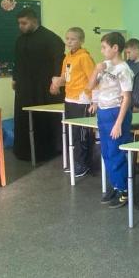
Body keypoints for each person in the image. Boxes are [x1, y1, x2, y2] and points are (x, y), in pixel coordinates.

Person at [12, 8, 65, 162]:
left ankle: (46, 152)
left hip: (44, 88)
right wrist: (15, 78)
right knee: (24, 118)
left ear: (34, 21)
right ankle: (23, 151)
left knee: (43, 118)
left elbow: (59, 61)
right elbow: (17, 60)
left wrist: (56, 81)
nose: (21, 26)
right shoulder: (20, 40)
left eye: (24, 23)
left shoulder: (51, 38)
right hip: (24, 87)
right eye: (19, 23)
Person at [88, 32, 134, 209]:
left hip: (116, 113)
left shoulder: (124, 69)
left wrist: (118, 123)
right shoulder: (105, 65)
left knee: (116, 154)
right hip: (104, 112)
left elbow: (127, 98)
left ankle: (124, 190)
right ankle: (116, 186)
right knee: (106, 152)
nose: (102, 51)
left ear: (115, 48)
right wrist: (96, 70)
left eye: (104, 47)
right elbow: (90, 86)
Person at [50, 27, 95, 178]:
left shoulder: (84, 57)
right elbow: (65, 77)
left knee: (81, 133)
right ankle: (76, 162)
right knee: (72, 133)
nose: (69, 42)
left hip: (82, 100)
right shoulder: (67, 57)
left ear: (81, 41)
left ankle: (84, 164)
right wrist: (56, 83)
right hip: (69, 98)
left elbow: (93, 78)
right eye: (67, 38)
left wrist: (93, 99)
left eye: (73, 39)